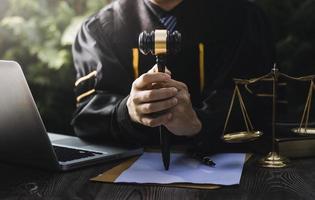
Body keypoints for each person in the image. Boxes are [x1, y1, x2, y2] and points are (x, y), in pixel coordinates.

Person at [72, 0, 275, 153]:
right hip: (132, 175)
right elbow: (87, 118)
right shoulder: (98, 30)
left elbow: (262, 105)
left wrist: (200, 122)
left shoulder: (243, 19)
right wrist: (128, 112)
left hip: (233, 170)